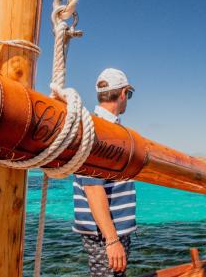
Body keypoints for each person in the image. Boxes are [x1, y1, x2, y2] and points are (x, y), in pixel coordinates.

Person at [72, 68, 136, 277]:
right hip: (105, 233)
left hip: (111, 230)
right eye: (130, 95)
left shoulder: (107, 129)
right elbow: (92, 187)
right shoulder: (97, 129)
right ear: (124, 93)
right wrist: (112, 239)